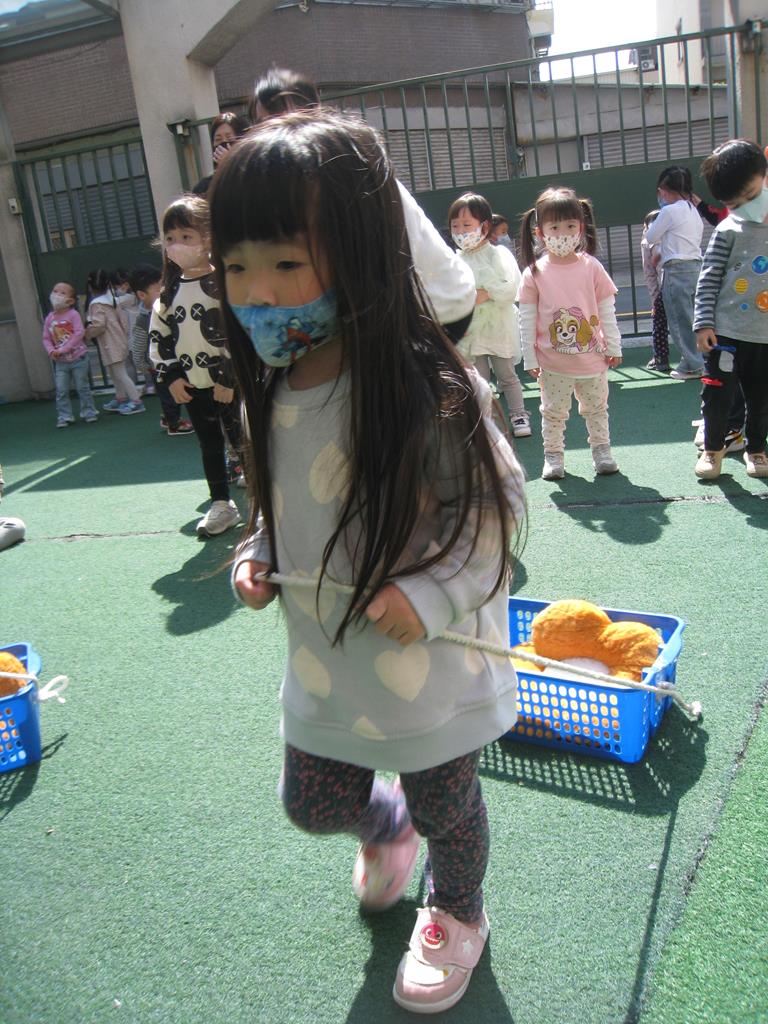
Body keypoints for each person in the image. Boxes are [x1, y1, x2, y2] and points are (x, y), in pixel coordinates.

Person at [209, 110, 525, 1014]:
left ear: (359, 254)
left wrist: (429, 593)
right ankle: (382, 825)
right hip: (326, 664)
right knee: (311, 803)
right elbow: (281, 510)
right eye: (237, 267)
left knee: (447, 809)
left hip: (427, 667)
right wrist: (257, 554)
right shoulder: (271, 393)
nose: (258, 293)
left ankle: (456, 908)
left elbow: (494, 517)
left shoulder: (429, 388)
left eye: (285, 264)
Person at [249, 67, 477, 344]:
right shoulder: (301, 173)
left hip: (438, 304)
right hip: (411, 304)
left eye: (280, 117)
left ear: (312, 113)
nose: (270, 131)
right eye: (261, 123)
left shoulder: (340, 164)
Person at [148, 195, 242, 536]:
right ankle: (221, 503)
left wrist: (230, 377)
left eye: (186, 237)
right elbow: (159, 338)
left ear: (209, 239)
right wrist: (171, 376)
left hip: (230, 384)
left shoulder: (228, 284)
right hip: (194, 385)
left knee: (246, 442)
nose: (177, 245)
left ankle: (265, 505)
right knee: (209, 445)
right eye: (170, 238)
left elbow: (241, 331)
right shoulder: (168, 294)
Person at [518, 186, 623, 480]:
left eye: (569, 226)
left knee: (597, 409)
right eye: (554, 227)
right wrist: (530, 358)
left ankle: (602, 452)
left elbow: (607, 310)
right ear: (540, 233)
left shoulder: (592, 267)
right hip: (552, 364)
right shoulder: (534, 273)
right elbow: (526, 319)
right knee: (552, 413)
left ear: (581, 227)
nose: (562, 233)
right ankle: (553, 456)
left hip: (592, 360)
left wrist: (613, 346)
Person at [693, 138, 768, 479]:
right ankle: (712, 450)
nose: (747, 207)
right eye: (736, 204)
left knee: (760, 399)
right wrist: (703, 323)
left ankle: (757, 450)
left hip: (762, 336)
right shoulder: (727, 230)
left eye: (752, 195)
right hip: (726, 333)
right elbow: (708, 279)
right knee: (717, 395)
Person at [448, 192, 529, 437]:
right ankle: (486, 422)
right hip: (471, 332)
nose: (461, 231)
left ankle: (518, 414)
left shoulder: (498, 254)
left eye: (466, 225)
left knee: (507, 375)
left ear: (483, 226)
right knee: (479, 380)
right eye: (455, 226)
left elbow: (511, 288)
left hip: (498, 328)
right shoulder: (454, 260)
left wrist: (485, 293)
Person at [644, 166, 705, 380]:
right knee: (696, 318)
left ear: (664, 190)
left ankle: (692, 364)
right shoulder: (692, 210)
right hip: (696, 266)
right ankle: (701, 360)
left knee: (680, 321)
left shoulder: (669, 211)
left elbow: (650, 237)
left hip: (676, 269)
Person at [127, 264, 193, 437]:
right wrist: (145, 367)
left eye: (164, 286)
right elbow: (138, 347)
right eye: (158, 290)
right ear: (142, 295)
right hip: (158, 366)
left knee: (176, 391)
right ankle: (174, 423)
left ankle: (168, 417)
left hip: (175, 361)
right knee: (169, 396)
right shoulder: (143, 320)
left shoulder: (169, 309)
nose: (164, 291)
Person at [84, 269, 145, 415]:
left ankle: (136, 401)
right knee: (115, 373)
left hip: (110, 343)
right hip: (119, 340)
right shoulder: (112, 300)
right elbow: (123, 320)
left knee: (119, 373)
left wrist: (86, 334)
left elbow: (98, 325)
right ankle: (121, 397)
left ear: (90, 287)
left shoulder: (97, 304)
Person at [42, 281, 98, 427]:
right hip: (60, 362)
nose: (57, 295)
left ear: (71, 301)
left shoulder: (73, 315)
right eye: (55, 291)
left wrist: (64, 349)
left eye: (62, 293)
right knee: (61, 390)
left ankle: (89, 411)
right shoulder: (50, 318)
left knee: (82, 387)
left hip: (79, 358)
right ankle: (64, 415)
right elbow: (46, 338)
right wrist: (51, 350)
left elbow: (79, 333)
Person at [191, 111, 251, 197]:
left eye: (229, 138)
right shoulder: (204, 187)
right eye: (218, 139)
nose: (223, 142)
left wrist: (230, 164)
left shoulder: (251, 176)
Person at [641, 211, 670, 373]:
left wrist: (655, 298)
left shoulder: (647, 241)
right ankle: (699, 358)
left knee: (659, 323)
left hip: (664, 285)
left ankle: (661, 358)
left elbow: (649, 273)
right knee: (688, 321)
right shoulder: (674, 233)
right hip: (684, 280)